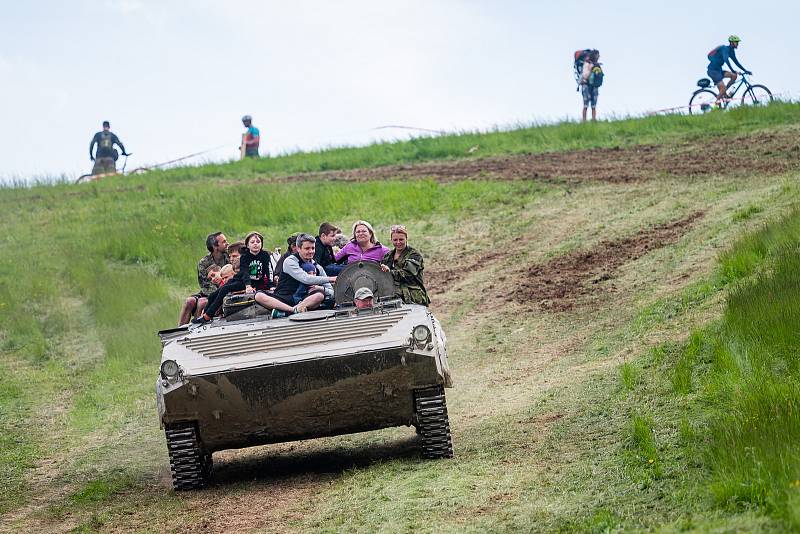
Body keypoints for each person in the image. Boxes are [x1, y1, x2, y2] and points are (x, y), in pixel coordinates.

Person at [193, 231, 273, 324]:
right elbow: (245, 272)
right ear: (247, 245)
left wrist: (271, 285)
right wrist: (248, 285)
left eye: (258, 242)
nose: (255, 244)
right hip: (243, 280)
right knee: (213, 295)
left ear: (261, 244)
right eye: (252, 242)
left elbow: (269, 270)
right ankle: (204, 314)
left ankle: (208, 316)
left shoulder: (265, 255)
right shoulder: (245, 257)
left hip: (253, 282)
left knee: (225, 289)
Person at [255, 233, 336, 317]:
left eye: (313, 248)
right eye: (307, 248)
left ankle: (287, 312)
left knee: (319, 295)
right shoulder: (290, 261)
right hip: (284, 298)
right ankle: (293, 310)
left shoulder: (318, 267)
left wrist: (321, 288)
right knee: (259, 295)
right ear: (298, 248)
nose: (311, 251)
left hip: (305, 300)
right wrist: (331, 278)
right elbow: (306, 279)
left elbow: (332, 292)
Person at [178, 232, 229, 325]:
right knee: (189, 301)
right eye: (224, 242)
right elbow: (205, 285)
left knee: (202, 302)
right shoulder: (203, 263)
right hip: (208, 292)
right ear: (215, 246)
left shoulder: (229, 258)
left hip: (223, 291)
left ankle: (197, 327)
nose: (227, 243)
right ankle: (179, 331)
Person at [380, 225, 430, 306]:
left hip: (412, 297)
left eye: (401, 239)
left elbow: (407, 275)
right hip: (392, 296)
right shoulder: (388, 256)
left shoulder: (414, 255)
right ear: (391, 240)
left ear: (406, 239)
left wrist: (389, 272)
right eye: (395, 240)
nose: (398, 242)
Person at [707, 35, 751, 101]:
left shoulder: (732, 51)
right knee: (723, 88)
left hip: (719, 70)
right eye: (736, 42)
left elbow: (736, 62)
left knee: (734, 76)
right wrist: (732, 70)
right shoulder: (725, 49)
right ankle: (716, 103)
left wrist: (745, 70)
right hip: (713, 71)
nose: (738, 44)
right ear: (732, 43)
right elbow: (726, 60)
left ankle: (724, 93)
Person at [579, 50, 601, 122]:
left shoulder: (597, 65)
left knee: (593, 105)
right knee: (585, 105)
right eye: (597, 55)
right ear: (594, 55)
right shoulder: (586, 64)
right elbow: (585, 76)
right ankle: (584, 120)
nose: (599, 56)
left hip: (594, 86)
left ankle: (593, 120)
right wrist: (590, 69)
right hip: (586, 85)